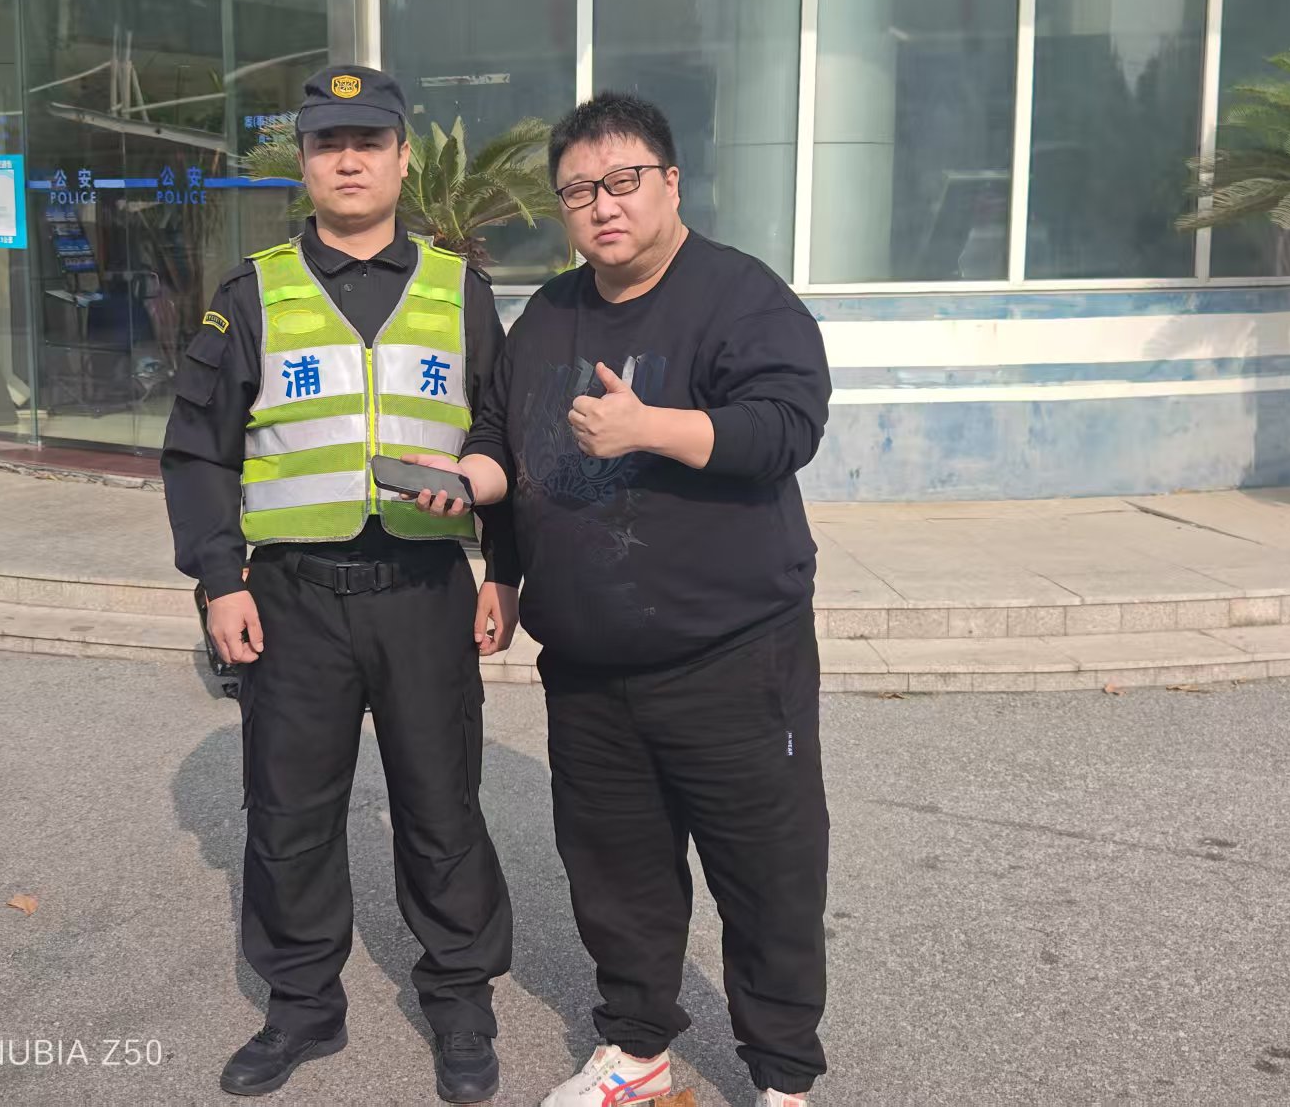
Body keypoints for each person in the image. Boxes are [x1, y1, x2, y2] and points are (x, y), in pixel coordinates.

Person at [408, 92, 832, 1107]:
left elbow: (788, 423)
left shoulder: (741, 295)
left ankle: (783, 1075)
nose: (602, 205)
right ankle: (637, 1048)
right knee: (614, 870)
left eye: (623, 181)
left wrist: (653, 427)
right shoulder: (549, 315)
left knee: (766, 873)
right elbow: (503, 437)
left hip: (732, 656)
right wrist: (482, 516)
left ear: (671, 182)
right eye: (578, 191)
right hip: (590, 666)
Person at [161, 65, 517, 1103]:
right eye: (328, 143)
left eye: (368, 141)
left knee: (442, 804)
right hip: (292, 597)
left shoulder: (459, 289)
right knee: (289, 812)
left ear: (403, 158)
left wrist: (503, 566)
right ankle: (302, 1005)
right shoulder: (250, 294)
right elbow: (200, 450)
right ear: (306, 163)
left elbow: (502, 431)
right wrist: (220, 581)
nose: (349, 160)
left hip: (424, 588)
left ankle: (460, 999)